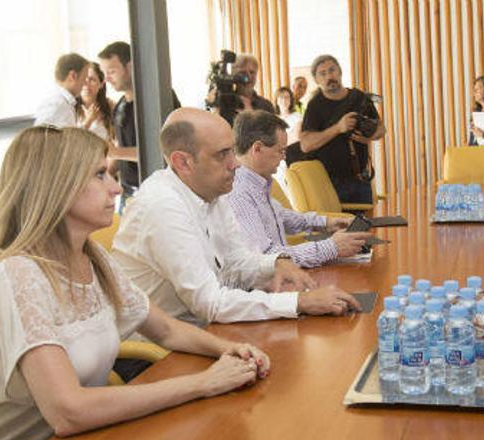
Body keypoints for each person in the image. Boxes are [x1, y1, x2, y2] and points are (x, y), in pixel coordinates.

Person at [0, 126, 270, 440]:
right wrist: (204, 383)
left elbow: (166, 330)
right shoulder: (16, 276)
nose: (116, 187)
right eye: (100, 175)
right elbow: (69, 411)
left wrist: (227, 351)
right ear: (56, 187)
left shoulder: (94, 259)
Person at [111, 108, 361, 327]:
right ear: (183, 162)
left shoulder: (211, 192)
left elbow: (236, 263)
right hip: (160, 354)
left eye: (232, 151)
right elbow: (210, 303)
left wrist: (274, 264)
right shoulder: (162, 206)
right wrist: (300, 301)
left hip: (202, 330)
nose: (236, 164)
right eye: (222, 154)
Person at [228, 110, 371, 267]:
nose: (284, 157)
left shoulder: (256, 182)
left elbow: (281, 217)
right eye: (280, 151)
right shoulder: (237, 192)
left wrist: (327, 223)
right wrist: (331, 247)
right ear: (257, 149)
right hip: (268, 285)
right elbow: (265, 259)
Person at [98, 41, 181, 201]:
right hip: (128, 192)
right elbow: (120, 152)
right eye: (105, 73)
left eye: (112, 71)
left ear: (129, 67)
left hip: (158, 193)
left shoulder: (159, 99)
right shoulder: (120, 106)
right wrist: (102, 176)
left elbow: (163, 151)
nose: (106, 79)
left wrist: (116, 152)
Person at [299, 55, 385, 204]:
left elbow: (381, 129)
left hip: (360, 178)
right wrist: (338, 128)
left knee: (366, 226)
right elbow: (306, 145)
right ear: (316, 80)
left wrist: (370, 137)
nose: (329, 76)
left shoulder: (359, 97)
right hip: (328, 183)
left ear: (340, 72)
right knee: (337, 227)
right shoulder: (315, 105)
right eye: (323, 73)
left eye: (332, 70)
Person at [210, 53, 275, 125]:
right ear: (234, 75)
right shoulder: (224, 103)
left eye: (252, 72)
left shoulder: (266, 105)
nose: (248, 77)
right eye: (243, 73)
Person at [33, 53, 89, 127]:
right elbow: (42, 136)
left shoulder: (65, 103)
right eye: (84, 78)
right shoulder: (56, 105)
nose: (85, 83)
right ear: (73, 76)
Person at [79, 62, 114, 141]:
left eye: (92, 80)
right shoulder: (70, 107)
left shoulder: (111, 107)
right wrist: (89, 120)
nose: (86, 84)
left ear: (101, 83)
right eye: (83, 79)